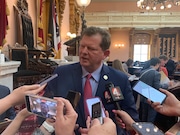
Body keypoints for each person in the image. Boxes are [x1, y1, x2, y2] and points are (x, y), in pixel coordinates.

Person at [44, 26, 139, 134]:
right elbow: (45, 110)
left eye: (91, 48)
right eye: (82, 46)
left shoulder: (119, 79)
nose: (84, 52)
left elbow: (131, 118)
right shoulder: (61, 73)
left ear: (105, 54)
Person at [138, 57, 161, 123]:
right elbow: (157, 87)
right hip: (152, 98)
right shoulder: (156, 73)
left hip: (143, 97)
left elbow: (140, 85)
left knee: (144, 116)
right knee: (151, 117)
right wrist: (167, 85)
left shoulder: (142, 72)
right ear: (157, 64)